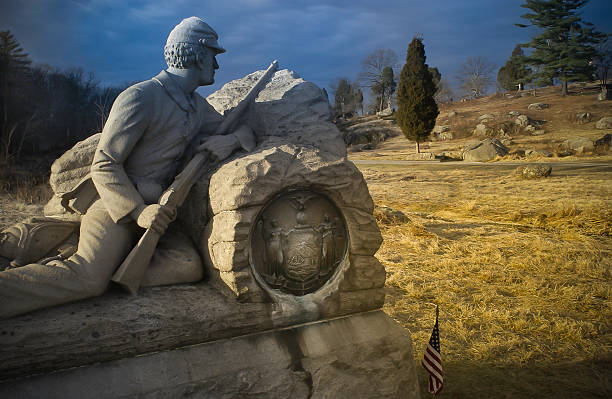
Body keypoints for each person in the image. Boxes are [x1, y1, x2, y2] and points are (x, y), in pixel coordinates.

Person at [0, 17, 253, 319]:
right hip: (115, 205)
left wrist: (233, 140)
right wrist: (137, 211)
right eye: (214, 55)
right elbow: (104, 164)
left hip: (157, 209)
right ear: (197, 54)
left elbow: (244, 128)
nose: (217, 65)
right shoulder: (142, 96)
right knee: (88, 278)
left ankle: (109, 263)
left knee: (188, 266)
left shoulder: (195, 107)